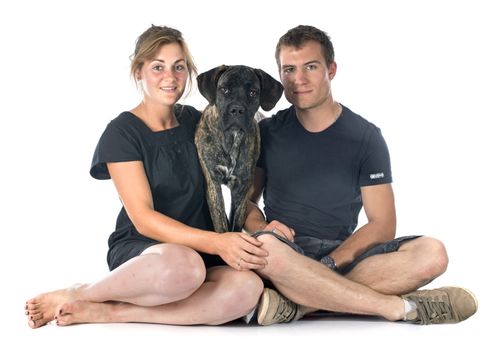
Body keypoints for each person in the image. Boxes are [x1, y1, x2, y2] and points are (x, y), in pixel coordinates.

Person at [24, 25, 267, 328]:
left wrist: (259, 223)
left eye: (179, 67)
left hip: (203, 251)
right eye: (157, 67)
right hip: (150, 252)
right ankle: (82, 291)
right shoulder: (122, 132)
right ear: (138, 72)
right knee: (185, 268)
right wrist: (217, 243)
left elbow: (243, 169)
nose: (170, 77)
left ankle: (114, 312)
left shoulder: (198, 120)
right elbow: (142, 217)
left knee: (248, 289)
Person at [244, 25, 478, 326]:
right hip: (284, 251)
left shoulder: (365, 137)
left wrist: (330, 263)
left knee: (432, 253)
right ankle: (396, 306)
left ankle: (299, 305)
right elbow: (245, 204)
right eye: (289, 69)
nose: (298, 79)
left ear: (332, 69)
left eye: (310, 67)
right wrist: (263, 226)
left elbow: (382, 224)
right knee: (265, 249)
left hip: (342, 255)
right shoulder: (266, 132)